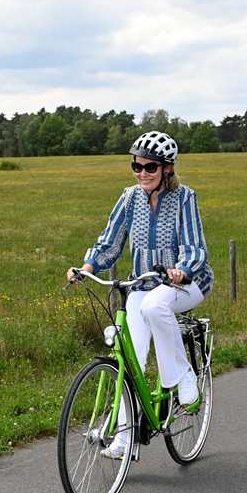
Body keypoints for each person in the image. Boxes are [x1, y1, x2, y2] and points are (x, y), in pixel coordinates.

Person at [66, 130, 214, 458]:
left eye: (150, 167)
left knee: (155, 306)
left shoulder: (184, 198)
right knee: (128, 357)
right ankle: (122, 439)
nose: (142, 173)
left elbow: (194, 246)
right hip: (142, 283)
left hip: (187, 283)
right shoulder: (129, 198)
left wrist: (182, 269)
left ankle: (184, 378)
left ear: (167, 169)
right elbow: (111, 239)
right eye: (137, 166)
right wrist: (88, 267)